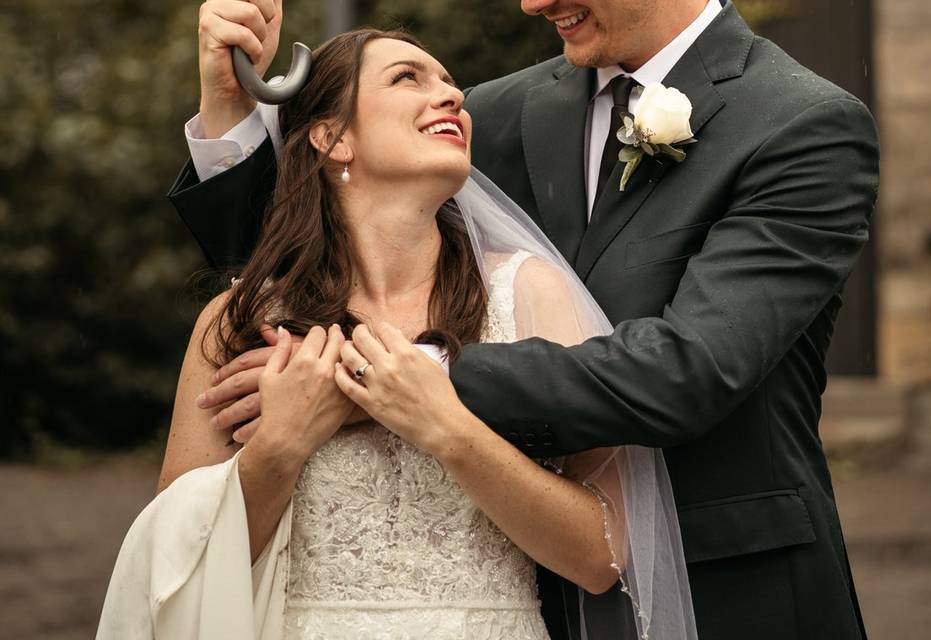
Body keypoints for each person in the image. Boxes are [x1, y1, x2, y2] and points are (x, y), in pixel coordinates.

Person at [169, 1, 880, 638]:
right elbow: (316, 233)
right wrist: (231, 109)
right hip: (513, 594)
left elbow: (689, 370)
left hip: (733, 591)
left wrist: (402, 380)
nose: (532, 4)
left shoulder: (801, 122)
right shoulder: (496, 113)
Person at [98, 29, 695, 640]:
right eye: (408, 77)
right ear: (332, 138)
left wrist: (445, 425)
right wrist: (279, 447)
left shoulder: (531, 294)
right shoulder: (241, 319)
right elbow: (177, 562)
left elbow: (602, 557)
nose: (452, 95)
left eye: (448, 82)